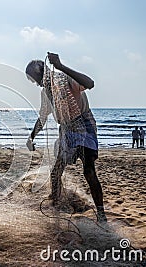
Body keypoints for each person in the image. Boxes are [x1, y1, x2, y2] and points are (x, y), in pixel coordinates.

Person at [25, 52, 107, 222]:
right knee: (56, 172)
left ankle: (101, 214)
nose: (38, 84)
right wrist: (31, 136)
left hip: (84, 125)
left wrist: (61, 65)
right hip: (66, 130)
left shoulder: (65, 79)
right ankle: (56, 206)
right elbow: (43, 117)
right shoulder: (45, 93)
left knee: (89, 170)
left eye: (37, 79)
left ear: (44, 73)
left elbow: (90, 83)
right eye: (35, 81)